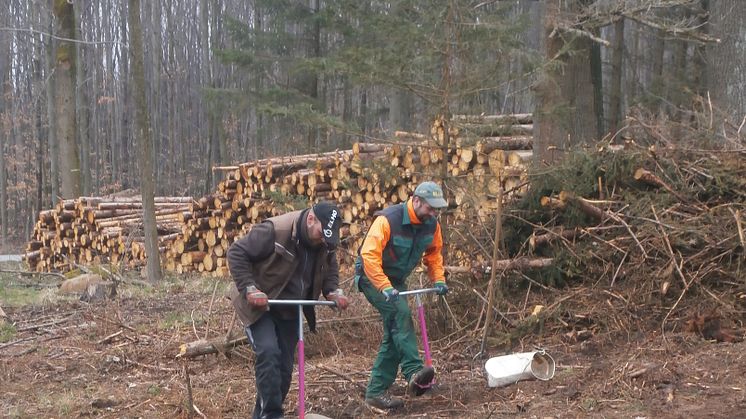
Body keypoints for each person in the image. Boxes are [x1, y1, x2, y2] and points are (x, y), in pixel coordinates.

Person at [227, 201, 349, 419]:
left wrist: (332, 290)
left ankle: (263, 415)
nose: (325, 239)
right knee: (269, 353)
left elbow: (329, 266)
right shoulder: (275, 231)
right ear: (311, 219)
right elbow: (236, 252)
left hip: (290, 307)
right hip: (259, 305)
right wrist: (249, 288)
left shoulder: (325, 242)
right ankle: (273, 415)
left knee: (283, 370)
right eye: (322, 233)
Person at [355, 181, 450, 409]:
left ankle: (376, 392)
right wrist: (383, 286)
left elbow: (434, 255)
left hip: (396, 280)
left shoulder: (431, 225)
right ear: (416, 201)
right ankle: (414, 372)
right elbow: (369, 256)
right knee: (401, 315)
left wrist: (438, 279)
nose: (434, 213)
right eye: (430, 208)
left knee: (395, 332)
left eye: (437, 209)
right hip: (371, 276)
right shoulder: (388, 220)